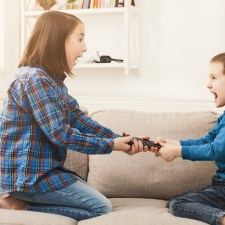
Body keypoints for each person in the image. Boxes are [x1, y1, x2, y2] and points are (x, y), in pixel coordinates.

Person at [0, 11, 147, 221]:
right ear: (58, 40)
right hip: (28, 176)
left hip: (44, 171)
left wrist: (119, 139)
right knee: (100, 207)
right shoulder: (34, 79)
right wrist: (111, 145)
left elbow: (78, 119)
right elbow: (61, 134)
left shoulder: (53, 81)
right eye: (80, 38)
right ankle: (16, 204)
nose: (85, 47)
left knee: (93, 198)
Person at [153, 52, 225, 225]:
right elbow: (206, 141)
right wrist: (174, 143)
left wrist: (178, 152)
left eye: (213, 78)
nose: (208, 84)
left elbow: (215, 150)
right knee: (173, 201)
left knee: (178, 204)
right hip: (220, 185)